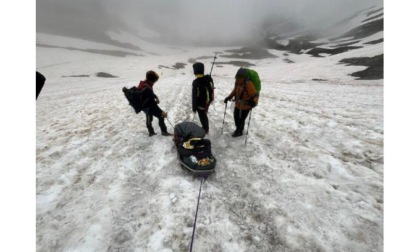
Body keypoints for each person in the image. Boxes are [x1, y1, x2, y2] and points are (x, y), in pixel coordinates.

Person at [224, 68, 259, 137]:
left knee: (241, 120)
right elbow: (235, 91)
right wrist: (229, 97)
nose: (238, 78)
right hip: (238, 104)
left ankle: (239, 131)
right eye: (238, 76)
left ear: (245, 77)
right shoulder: (237, 83)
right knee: (236, 118)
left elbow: (255, 95)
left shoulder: (248, 84)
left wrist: (253, 102)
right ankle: (238, 129)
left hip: (246, 106)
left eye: (241, 77)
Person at [137, 70, 172, 137]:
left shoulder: (146, 84)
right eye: (155, 80)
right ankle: (159, 132)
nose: (155, 82)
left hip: (146, 105)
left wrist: (156, 97)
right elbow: (152, 104)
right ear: (151, 80)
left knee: (150, 117)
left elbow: (150, 94)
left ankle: (153, 132)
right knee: (157, 116)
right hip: (147, 106)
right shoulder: (147, 87)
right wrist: (161, 112)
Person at [191, 62, 214, 134]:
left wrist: (194, 107)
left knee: (202, 116)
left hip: (200, 103)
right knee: (204, 114)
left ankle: (205, 128)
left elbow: (194, 96)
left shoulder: (195, 82)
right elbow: (211, 88)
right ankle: (206, 127)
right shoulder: (209, 78)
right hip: (208, 101)